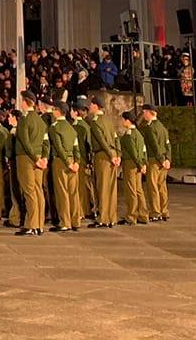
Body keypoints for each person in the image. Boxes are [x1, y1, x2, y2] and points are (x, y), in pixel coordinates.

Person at [14, 91, 49, 236]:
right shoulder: (40, 121)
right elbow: (46, 142)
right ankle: (39, 224)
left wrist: (35, 159)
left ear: (25, 102)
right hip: (39, 158)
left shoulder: (24, 119)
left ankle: (31, 225)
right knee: (38, 190)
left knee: (29, 192)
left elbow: (25, 141)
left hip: (26, 158)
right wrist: (44, 158)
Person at [86, 95, 119, 228]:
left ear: (96, 106)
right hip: (113, 154)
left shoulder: (95, 122)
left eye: (91, 104)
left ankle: (103, 218)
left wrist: (111, 155)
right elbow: (116, 138)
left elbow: (101, 141)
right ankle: (112, 217)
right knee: (112, 188)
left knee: (103, 187)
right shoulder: (109, 120)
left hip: (103, 155)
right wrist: (117, 154)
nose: (89, 107)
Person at [47, 100, 80, 232]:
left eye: (54, 109)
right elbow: (76, 147)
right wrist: (76, 162)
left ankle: (65, 222)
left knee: (62, 192)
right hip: (73, 160)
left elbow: (59, 147)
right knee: (73, 192)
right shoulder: (71, 128)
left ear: (58, 111)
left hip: (61, 161)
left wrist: (67, 162)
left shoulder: (54, 127)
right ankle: (75, 220)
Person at [138, 105, 171, 222]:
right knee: (162, 187)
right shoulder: (162, 127)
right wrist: (167, 159)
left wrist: (161, 159)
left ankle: (155, 212)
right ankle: (164, 211)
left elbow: (154, 146)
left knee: (153, 187)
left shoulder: (150, 128)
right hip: (163, 160)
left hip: (154, 160)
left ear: (149, 113)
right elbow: (168, 145)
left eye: (144, 112)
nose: (143, 114)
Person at [117, 111, 150, 225]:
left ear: (127, 120)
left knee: (131, 190)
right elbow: (144, 150)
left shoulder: (128, 135)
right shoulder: (138, 134)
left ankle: (131, 216)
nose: (122, 122)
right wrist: (143, 164)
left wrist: (139, 164)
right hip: (138, 163)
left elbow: (133, 152)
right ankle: (143, 215)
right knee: (138, 190)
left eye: (123, 119)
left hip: (131, 164)